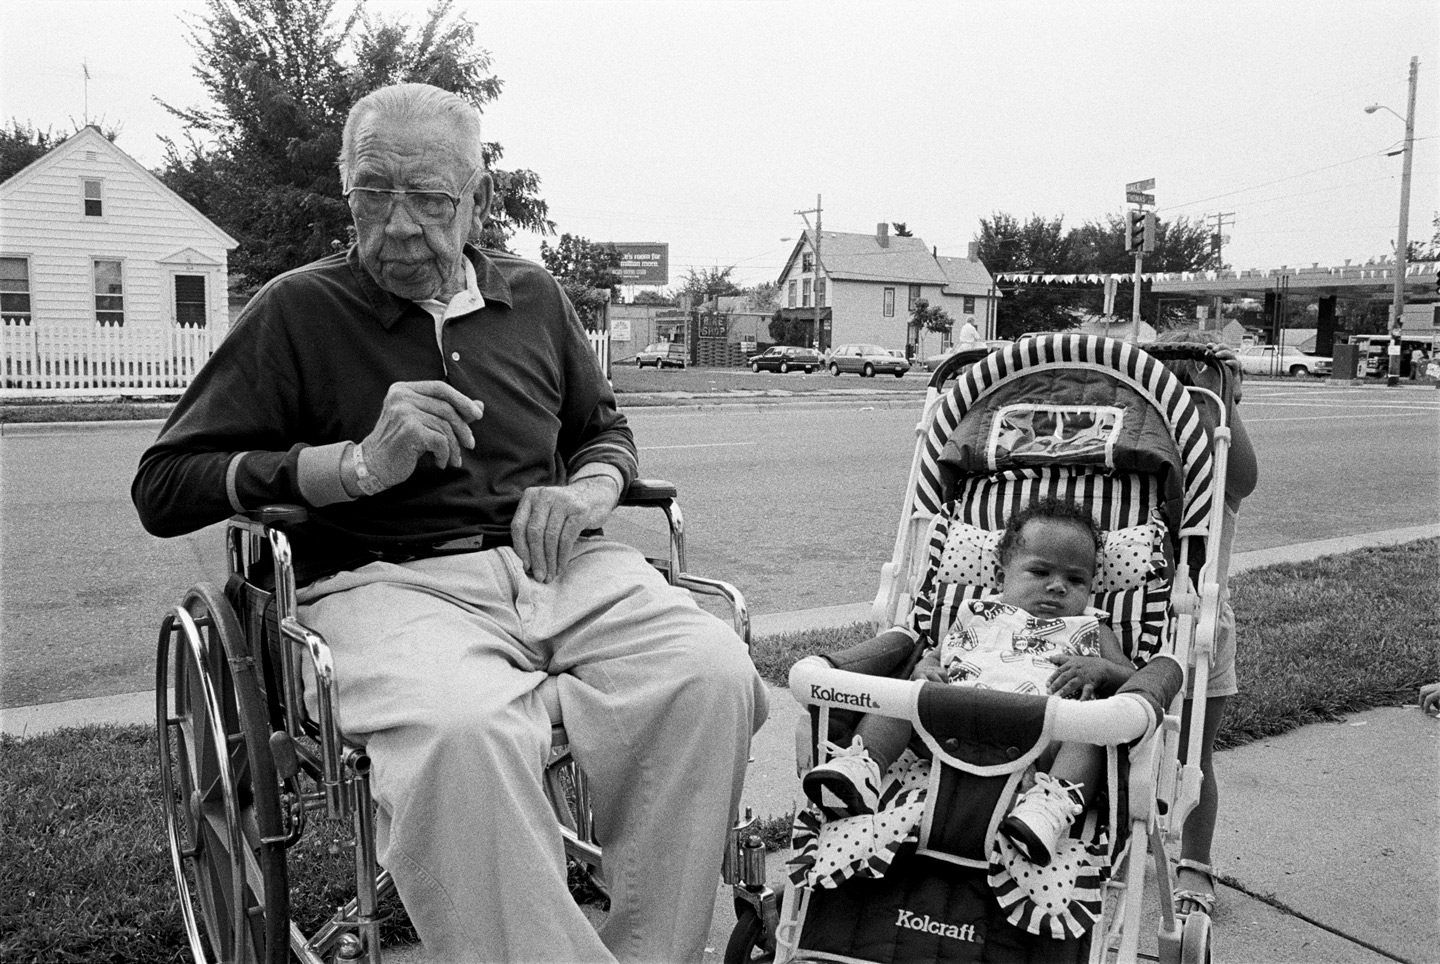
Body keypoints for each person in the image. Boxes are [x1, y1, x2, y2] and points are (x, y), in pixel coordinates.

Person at [132, 83, 767, 964]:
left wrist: (585, 493)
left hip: (559, 571)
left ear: (476, 201)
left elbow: (603, 431)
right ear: (345, 189)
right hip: (383, 583)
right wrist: (352, 466)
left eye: (428, 199)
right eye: (372, 194)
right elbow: (163, 486)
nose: (397, 224)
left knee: (710, 673)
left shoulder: (535, 298)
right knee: (463, 734)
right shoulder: (296, 311)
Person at [802, 499, 1135, 866]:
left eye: (1075, 580)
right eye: (1040, 572)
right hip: (948, 728)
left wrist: (1101, 669)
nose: (1057, 587)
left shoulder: (1091, 628)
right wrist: (926, 668)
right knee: (903, 698)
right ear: (999, 576)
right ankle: (862, 765)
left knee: (1090, 735)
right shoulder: (976, 614)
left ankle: (1048, 808)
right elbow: (939, 653)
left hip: (1041, 739)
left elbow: (1133, 680)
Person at [1151, 332, 1260, 923]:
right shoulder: (1143, 466)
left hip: (1202, 627)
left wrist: (1224, 397)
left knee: (1195, 755)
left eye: (1198, 399)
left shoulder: (1220, 475)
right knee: (1115, 743)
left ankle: (1194, 861)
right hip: (1137, 626)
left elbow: (1243, 478)